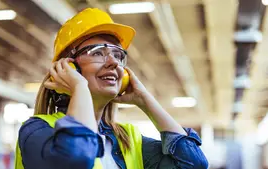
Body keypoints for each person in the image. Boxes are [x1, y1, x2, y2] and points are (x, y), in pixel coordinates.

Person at [15, 8, 208, 169]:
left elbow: (193, 164)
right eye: (97, 52)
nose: (114, 63)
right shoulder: (36, 130)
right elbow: (76, 157)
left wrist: (145, 101)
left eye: (117, 54)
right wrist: (79, 88)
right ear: (67, 68)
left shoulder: (128, 140)